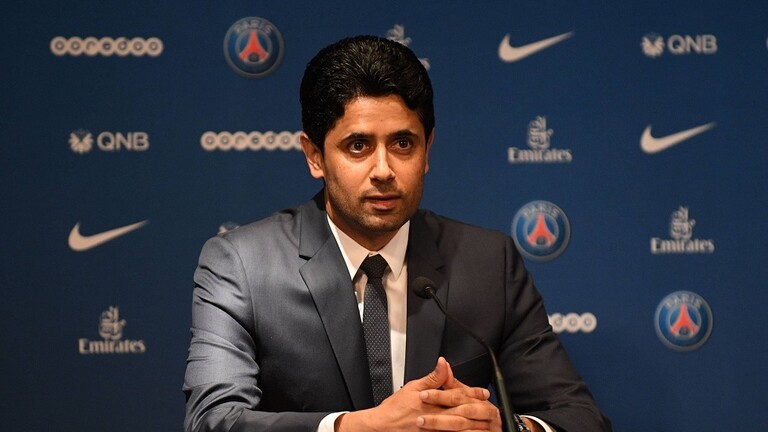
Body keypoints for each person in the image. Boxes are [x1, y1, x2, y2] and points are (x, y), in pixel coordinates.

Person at [183, 35, 611, 432]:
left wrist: (502, 428)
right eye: (358, 146)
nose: (384, 170)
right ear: (314, 156)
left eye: (403, 144)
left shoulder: (488, 263)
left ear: (428, 149)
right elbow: (212, 419)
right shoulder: (243, 265)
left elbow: (581, 419)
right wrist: (359, 427)